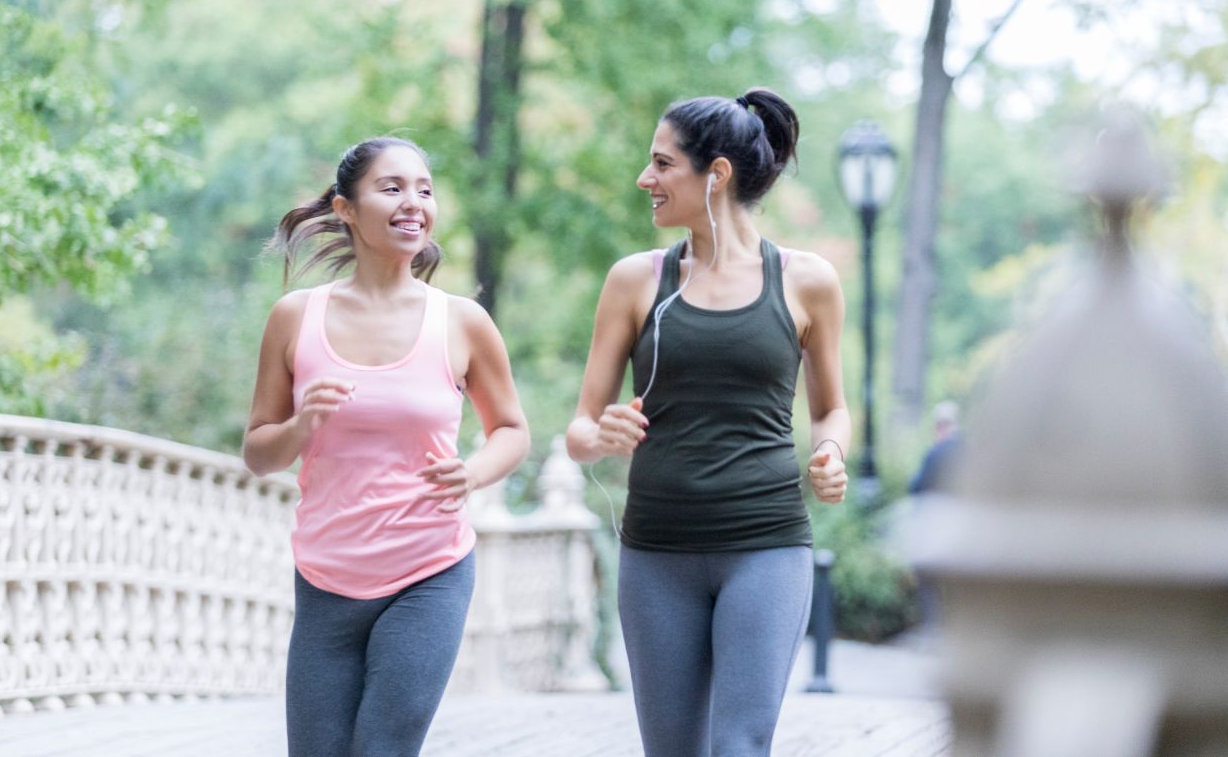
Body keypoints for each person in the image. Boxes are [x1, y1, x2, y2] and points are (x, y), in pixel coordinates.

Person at [566, 89, 851, 757]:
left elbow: (830, 405)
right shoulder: (635, 281)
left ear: (715, 174)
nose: (646, 179)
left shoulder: (806, 280)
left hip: (766, 544)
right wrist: (600, 433)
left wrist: (830, 450)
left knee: (739, 744)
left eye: (662, 164)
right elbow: (580, 429)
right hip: (656, 553)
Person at [243, 137, 530, 757]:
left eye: (424, 190)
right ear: (346, 208)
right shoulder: (296, 318)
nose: (414, 203)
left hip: (429, 567)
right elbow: (259, 451)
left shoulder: (461, 321)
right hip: (325, 574)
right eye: (392, 187)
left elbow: (512, 430)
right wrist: (300, 428)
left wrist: (473, 473)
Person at [908, 400, 963, 496]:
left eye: (940, 426)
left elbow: (916, 487)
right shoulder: (971, 449)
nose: (939, 430)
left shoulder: (935, 453)